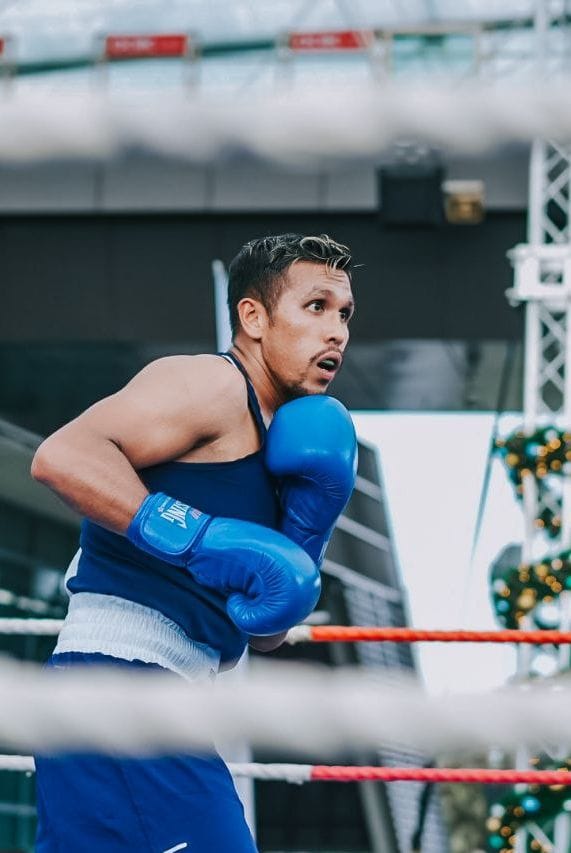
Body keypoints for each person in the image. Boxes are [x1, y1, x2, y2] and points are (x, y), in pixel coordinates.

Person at [30, 232, 357, 853]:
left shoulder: (286, 448)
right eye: (316, 307)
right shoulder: (212, 385)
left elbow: (263, 632)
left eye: (344, 314)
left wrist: (306, 537)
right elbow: (62, 456)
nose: (336, 331)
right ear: (253, 318)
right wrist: (197, 537)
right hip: (124, 685)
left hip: (151, 690)